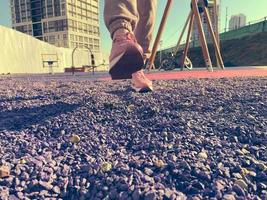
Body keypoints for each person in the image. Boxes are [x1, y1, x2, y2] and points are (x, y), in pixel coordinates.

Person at [104, 0, 157, 92]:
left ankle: (137, 64)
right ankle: (121, 34)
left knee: (148, 4)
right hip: (121, 26)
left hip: (141, 47)